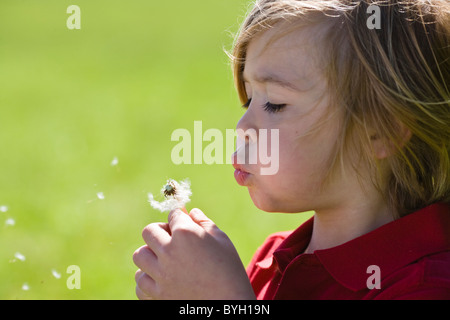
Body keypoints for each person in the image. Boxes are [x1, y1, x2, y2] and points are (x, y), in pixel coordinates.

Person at [133, 0, 450, 299]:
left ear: (382, 130)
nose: (242, 126)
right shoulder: (272, 260)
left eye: (275, 103)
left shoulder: (427, 286)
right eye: (248, 99)